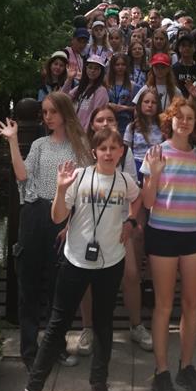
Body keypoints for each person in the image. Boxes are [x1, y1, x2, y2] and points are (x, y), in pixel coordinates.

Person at [2, 127, 142, 391]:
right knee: (57, 325)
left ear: (121, 152)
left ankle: (99, 385)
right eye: (102, 148)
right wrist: (61, 189)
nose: (108, 153)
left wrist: (131, 221)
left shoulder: (125, 181)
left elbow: (138, 199)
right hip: (76, 261)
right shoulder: (79, 176)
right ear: (94, 152)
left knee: (103, 326)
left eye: (113, 148)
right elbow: (57, 217)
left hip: (110, 262)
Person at [0, 92, 91, 371]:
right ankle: (29, 351)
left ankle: (55, 348)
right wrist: (13, 141)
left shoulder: (81, 146)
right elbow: (22, 175)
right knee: (29, 284)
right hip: (35, 214)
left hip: (63, 217)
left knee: (58, 286)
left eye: (53, 112)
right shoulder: (39, 144)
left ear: (65, 112)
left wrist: (71, 223)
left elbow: (84, 190)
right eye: (45, 112)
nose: (47, 117)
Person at [141, 97, 196, 391]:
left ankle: (186, 367)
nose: (184, 122)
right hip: (162, 236)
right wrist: (155, 173)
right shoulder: (156, 153)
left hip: (193, 237)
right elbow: (147, 202)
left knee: (192, 304)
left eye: (190, 118)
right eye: (179, 117)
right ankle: (161, 371)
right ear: (169, 120)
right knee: (163, 305)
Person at [77, 107, 153, 355]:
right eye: (100, 119)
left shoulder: (124, 151)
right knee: (87, 278)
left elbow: (134, 192)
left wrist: (131, 221)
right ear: (92, 124)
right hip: (87, 225)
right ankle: (88, 328)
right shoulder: (82, 150)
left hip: (118, 223)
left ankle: (136, 325)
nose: (105, 122)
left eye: (110, 119)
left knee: (130, 275)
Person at [124, 87, 164, 182]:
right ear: (140, 104)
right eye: (146, 102)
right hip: (136, 167)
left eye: (153, 102)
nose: (150, 105)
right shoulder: (132, 127)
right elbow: (125, 151)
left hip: (157, 167)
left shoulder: (164, 127)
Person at [62, 55, 109, 131]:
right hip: (72, 130)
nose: (92, 71)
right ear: (86, 69)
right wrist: (69, 79)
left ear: (101, 72)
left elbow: (95, 114)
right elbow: (62, 99)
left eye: (96, 69)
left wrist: (86, 132)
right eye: (90, 67)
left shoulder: (101, 91)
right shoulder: (80, 88)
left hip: (85, 132)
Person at [106, 52, 137, 135]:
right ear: (113, 66)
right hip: (108, 121)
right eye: (117, 64)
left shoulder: (133, 86)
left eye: (123, 64)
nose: (120, 67)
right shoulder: (106, 84)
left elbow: (138, 108)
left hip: (125, 122)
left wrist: (124, 108)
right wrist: (108, 105)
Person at [172, 34, 196, 98]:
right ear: (179, 48)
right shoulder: (173, 68)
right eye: (183, 45)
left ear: (194, 48)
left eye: (190, 46)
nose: (187, 48)